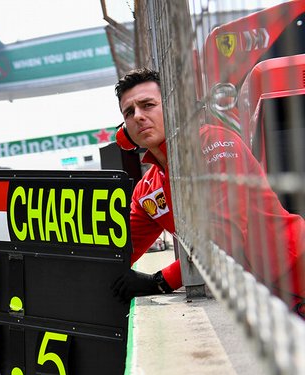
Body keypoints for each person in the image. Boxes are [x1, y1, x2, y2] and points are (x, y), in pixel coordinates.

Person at [110, 68, 305, 313]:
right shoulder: (147, 190)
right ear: (124, 131)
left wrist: (160, 281)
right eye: (129, 111)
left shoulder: (216, 144)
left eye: (147, 105)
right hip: (260, 300)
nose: (138, 116)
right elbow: (119, 250)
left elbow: (223, 238)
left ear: (174, 109)